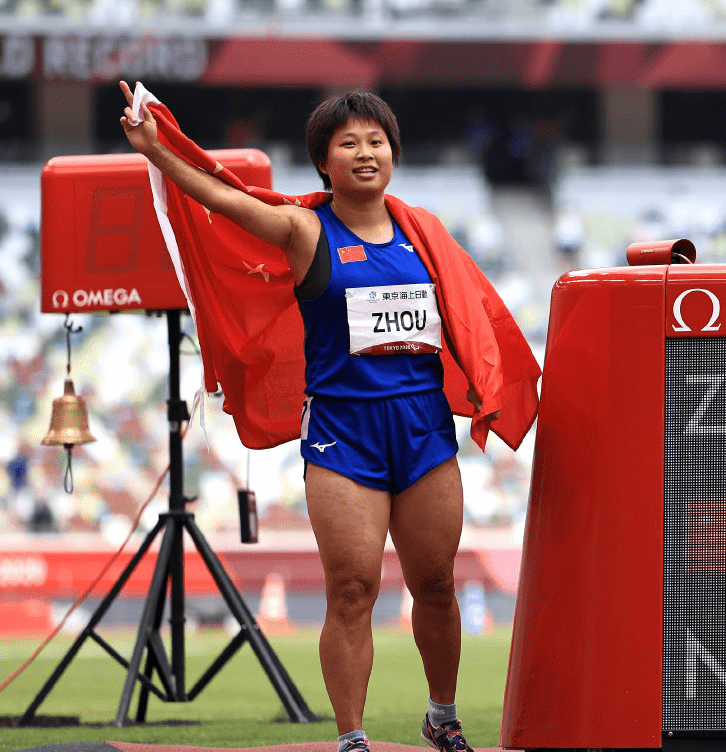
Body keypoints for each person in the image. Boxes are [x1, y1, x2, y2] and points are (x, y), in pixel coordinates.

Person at [119, 82, 498, 752]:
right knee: (352, 589)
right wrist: (158, 152)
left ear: (393, 154)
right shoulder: (303, 227)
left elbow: (472, 315)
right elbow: (223, 197)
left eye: (375, 141)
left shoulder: (425, 233)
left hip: (424, 431)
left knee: (435, 585)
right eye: (347, 142)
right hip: (344, 433)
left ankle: (443, 717)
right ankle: (351, 738)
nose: (364, 152)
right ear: (323, 161)